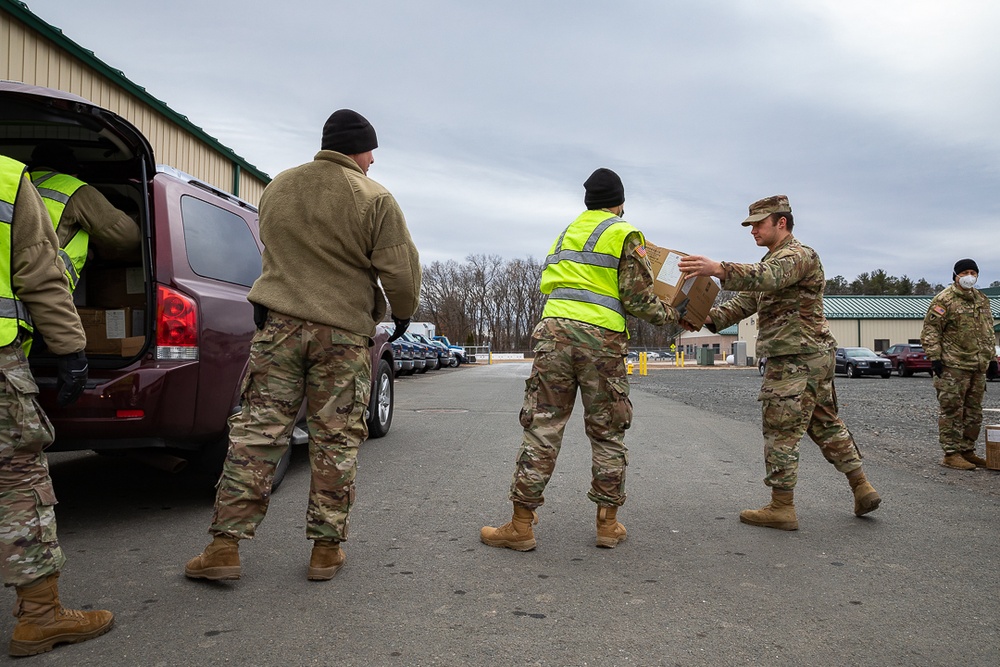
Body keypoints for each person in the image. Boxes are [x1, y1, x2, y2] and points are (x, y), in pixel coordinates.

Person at [185, 109, 421, 582]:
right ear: (359, 148)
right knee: (335, 440)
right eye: (371, 151)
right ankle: (325, 550)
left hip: (279, 328)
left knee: (257, 434)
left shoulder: (279, 187)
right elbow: (399, 269)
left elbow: (271, 249)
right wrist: (402, 312)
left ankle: (224, 547)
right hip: (341, 335)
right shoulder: (375, 198)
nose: (373, 161)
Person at [480, 167, 685, 551]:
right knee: (608, 431)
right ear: (619, 203)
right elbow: (638, 298)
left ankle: (521, 524)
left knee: (543, 427)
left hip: (553, 336)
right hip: (600, 342)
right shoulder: (625, 233)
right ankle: (607, 525)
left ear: (587, 201)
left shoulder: (566, 233)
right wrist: (675, 316)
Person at [677, 195, 880, 531]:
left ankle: (782, 507)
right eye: (750, 225)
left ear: (781, 222)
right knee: (825, 422)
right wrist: (700, 318)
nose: (753, 230)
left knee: (780, 430)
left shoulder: (798, 256)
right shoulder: (773, 262)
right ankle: (862, 487)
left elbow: (766, 277)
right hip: (808, 357)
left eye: (759, 223)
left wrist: (719, 269)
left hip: (795, 359)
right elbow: (740, 306)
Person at [0, 155, 113, 656]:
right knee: (19, 478)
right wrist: (70, 350)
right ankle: (40, 618)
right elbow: (40, 275)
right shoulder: (6, 178)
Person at [29, 143, 141, 292]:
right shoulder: (73, 188)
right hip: (45, 288)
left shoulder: (17, 185)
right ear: (71, 170)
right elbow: (128, 237)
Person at [920, 259, 997, 470]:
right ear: (955, 275)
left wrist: (991, 359)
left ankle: (967, 450)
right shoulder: (944, 299)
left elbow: (988, 331)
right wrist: (935, 358)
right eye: (965, 272)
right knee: (952, 409)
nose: (969, 276)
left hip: (977, 365)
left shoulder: (981, 299)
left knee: (974, 412)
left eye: (973, 272)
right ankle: (951, 453)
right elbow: (931, 330)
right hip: (953, 365)